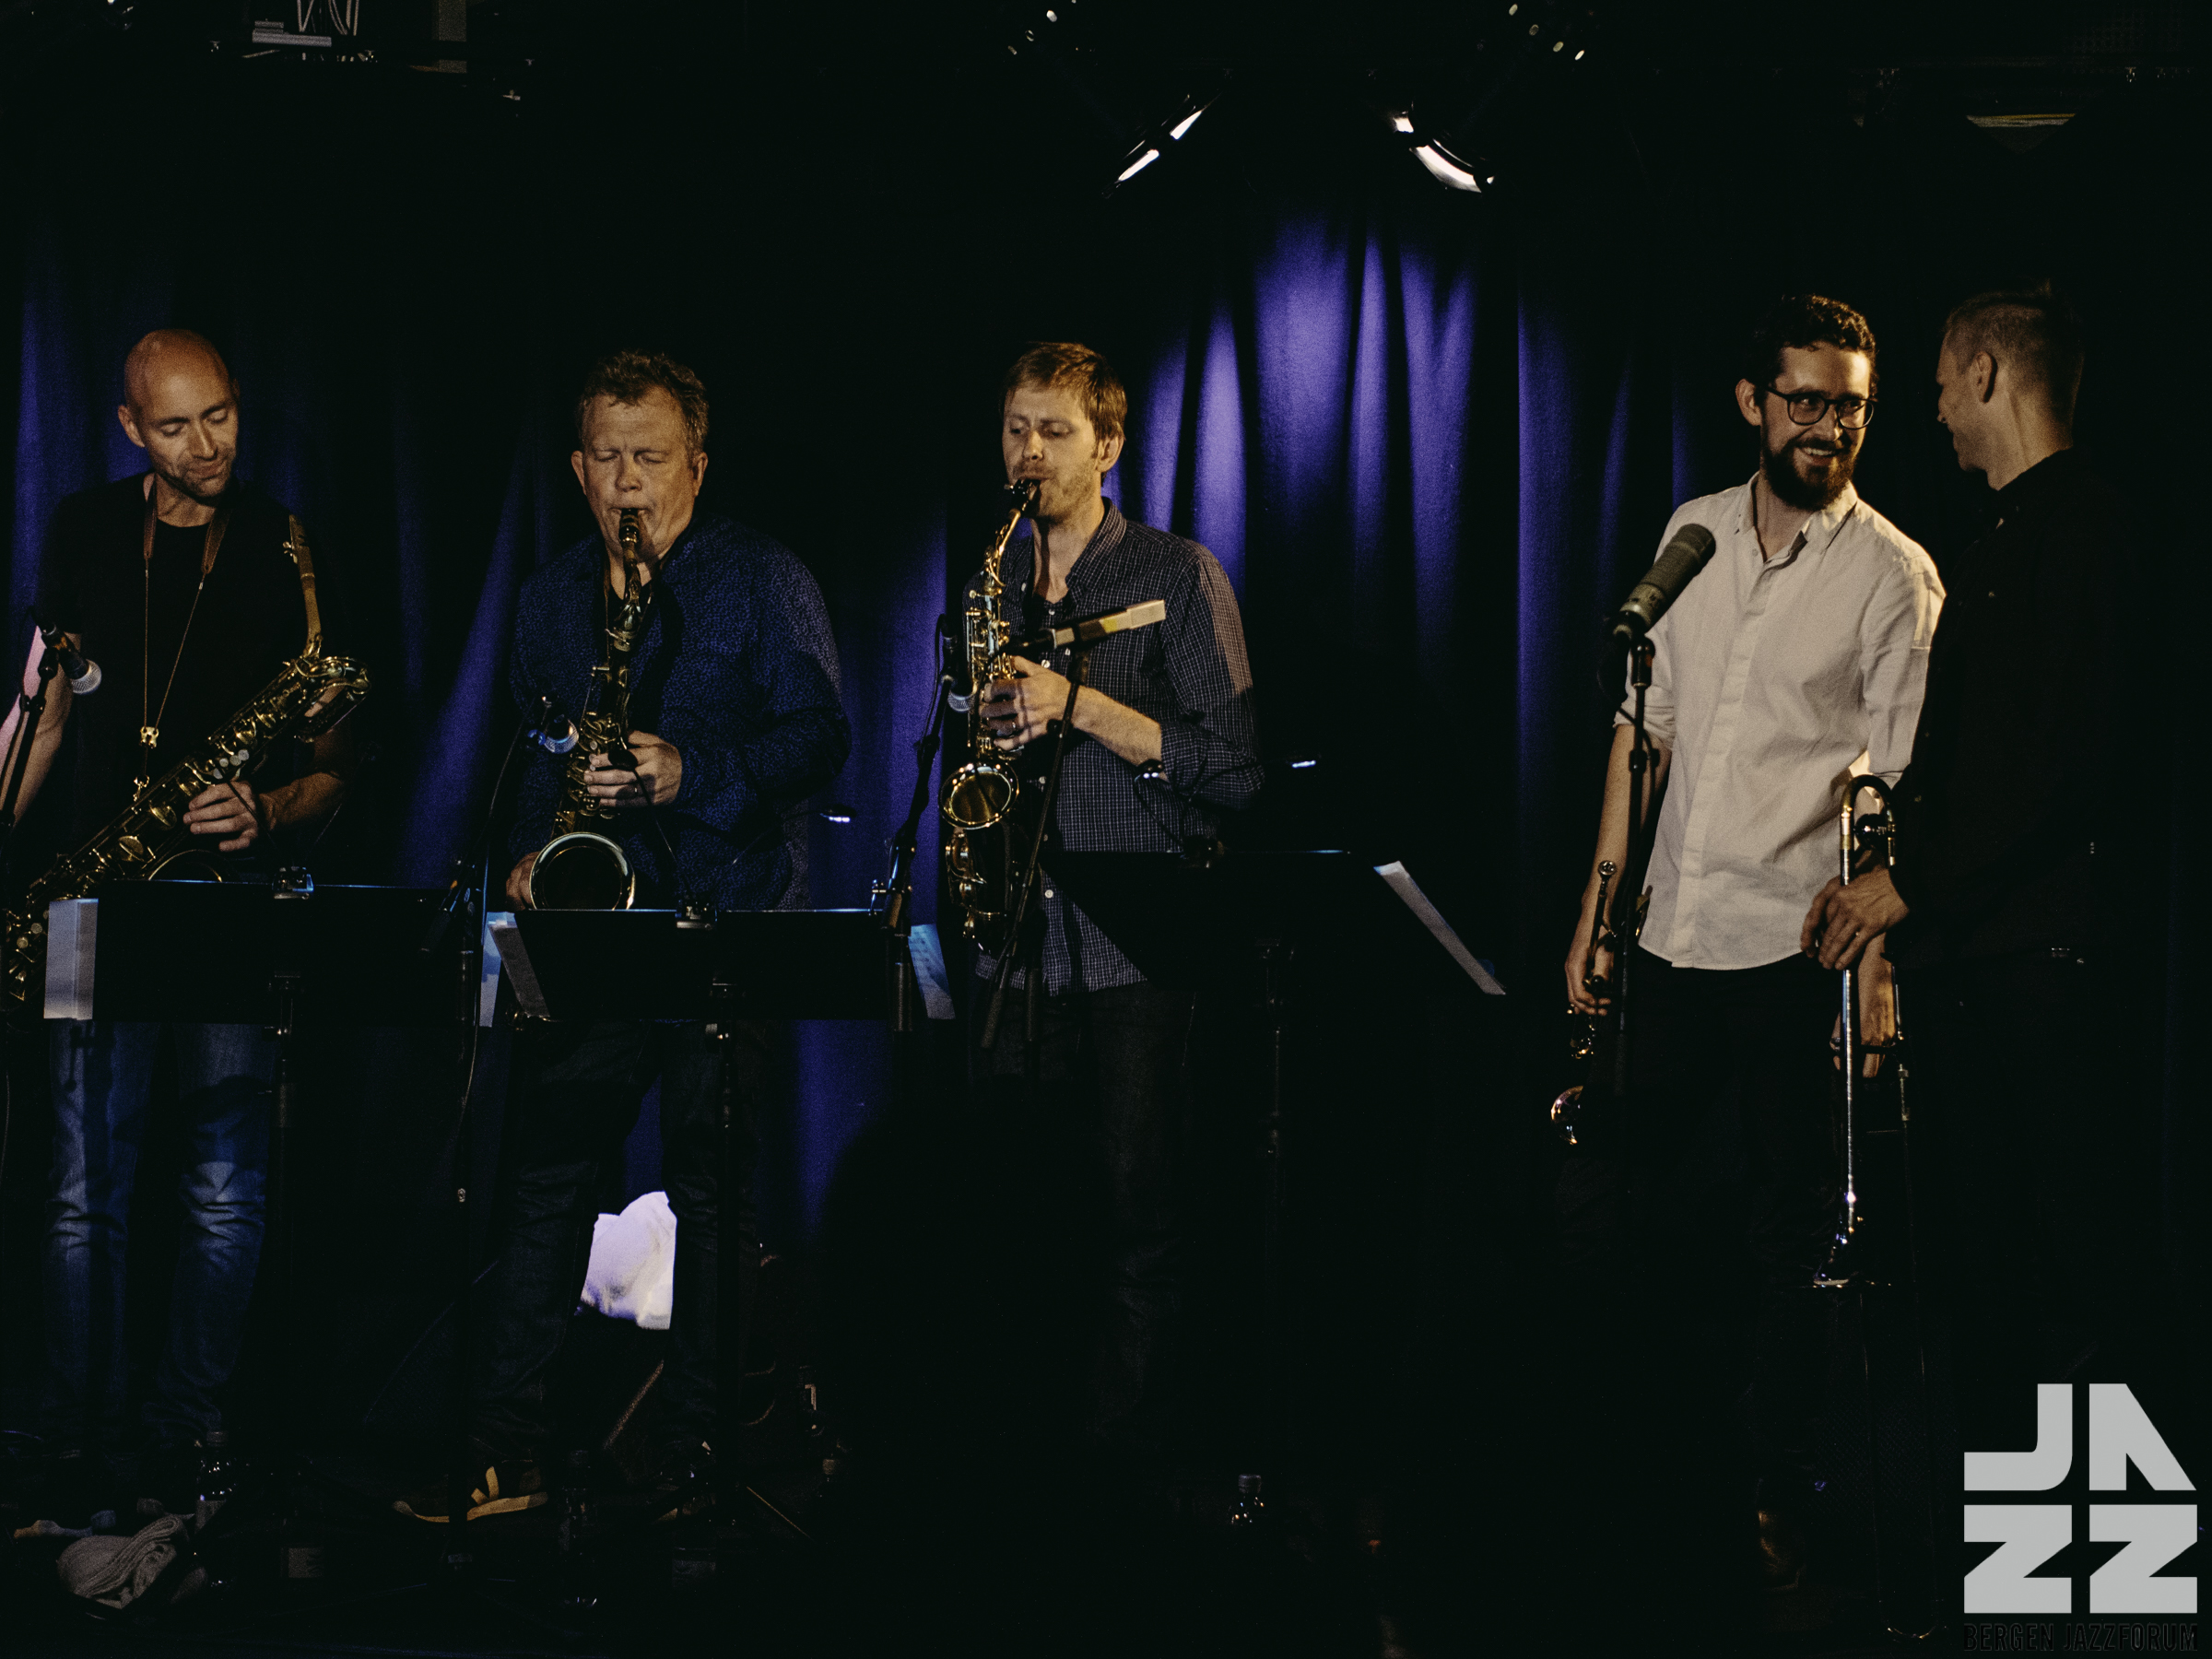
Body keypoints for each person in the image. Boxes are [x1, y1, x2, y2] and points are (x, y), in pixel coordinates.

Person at [394, 349, 850, 1524]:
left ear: (697, 463)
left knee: (712, 1192)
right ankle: (505, 1450)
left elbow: (819, 737)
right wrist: (531, 852)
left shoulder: (760, 578)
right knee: (546, 1182)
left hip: (723, 919)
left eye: (651, 457)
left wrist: (697, 772)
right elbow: (541, 755)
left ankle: (696, 1453)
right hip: (597, 934)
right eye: (608, 458)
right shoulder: (552, 598)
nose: (629, 483)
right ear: (577, 467)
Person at [1555, 295, 1944, 1597]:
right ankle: (1626, 1461)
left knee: (1791, 1241)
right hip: (1671, 933)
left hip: (1795, 951)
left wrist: (1877, 978)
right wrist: (1597, 909)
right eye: (1806, 400)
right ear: (1752, 402)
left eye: (1851, 407)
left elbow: (1897, 787)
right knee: (1606, 1197)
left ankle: (1774, 1491)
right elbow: (1645, 734)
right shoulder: (1695, 535)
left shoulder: (1891, 573)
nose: (1828, 427)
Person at [1800, 284, 2169, 1459]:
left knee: (2076, 1283)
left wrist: (1904, 882)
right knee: (2001, 1289)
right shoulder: (2007, 539)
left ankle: (2107, 1567)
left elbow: (2062, 762)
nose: (1937, 412)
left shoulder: (2089, 530)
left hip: (2049, 974)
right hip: (1992, 969)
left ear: (1991, 375)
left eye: (1944, 385)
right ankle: (2023, 1554)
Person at [5, 328, 354, 1506]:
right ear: (129, 429)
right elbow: (43, 713)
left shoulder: (288, 548)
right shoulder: (84, 530)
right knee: (76, 1189)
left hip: (225, 904)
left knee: (220, 1187)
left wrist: (269, 807)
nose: (205, 446)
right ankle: (75, 1435)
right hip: (89, 894)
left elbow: (337, 769)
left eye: (220, 417)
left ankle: (187, 1431)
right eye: (174, 426)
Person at [964, 342, 1261, 1461]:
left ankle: (1124, 1462)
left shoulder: (1177, 575)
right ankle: (1025, 1447)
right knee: (1018, 1212)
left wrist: (1076, 704)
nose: (1029, 453)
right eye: (1015, 430)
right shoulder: (992, 582)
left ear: (1110, 446)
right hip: (1016, 943)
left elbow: (1237, 770)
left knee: (1138, 1216)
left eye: (1054, 432)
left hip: (1137, 946)